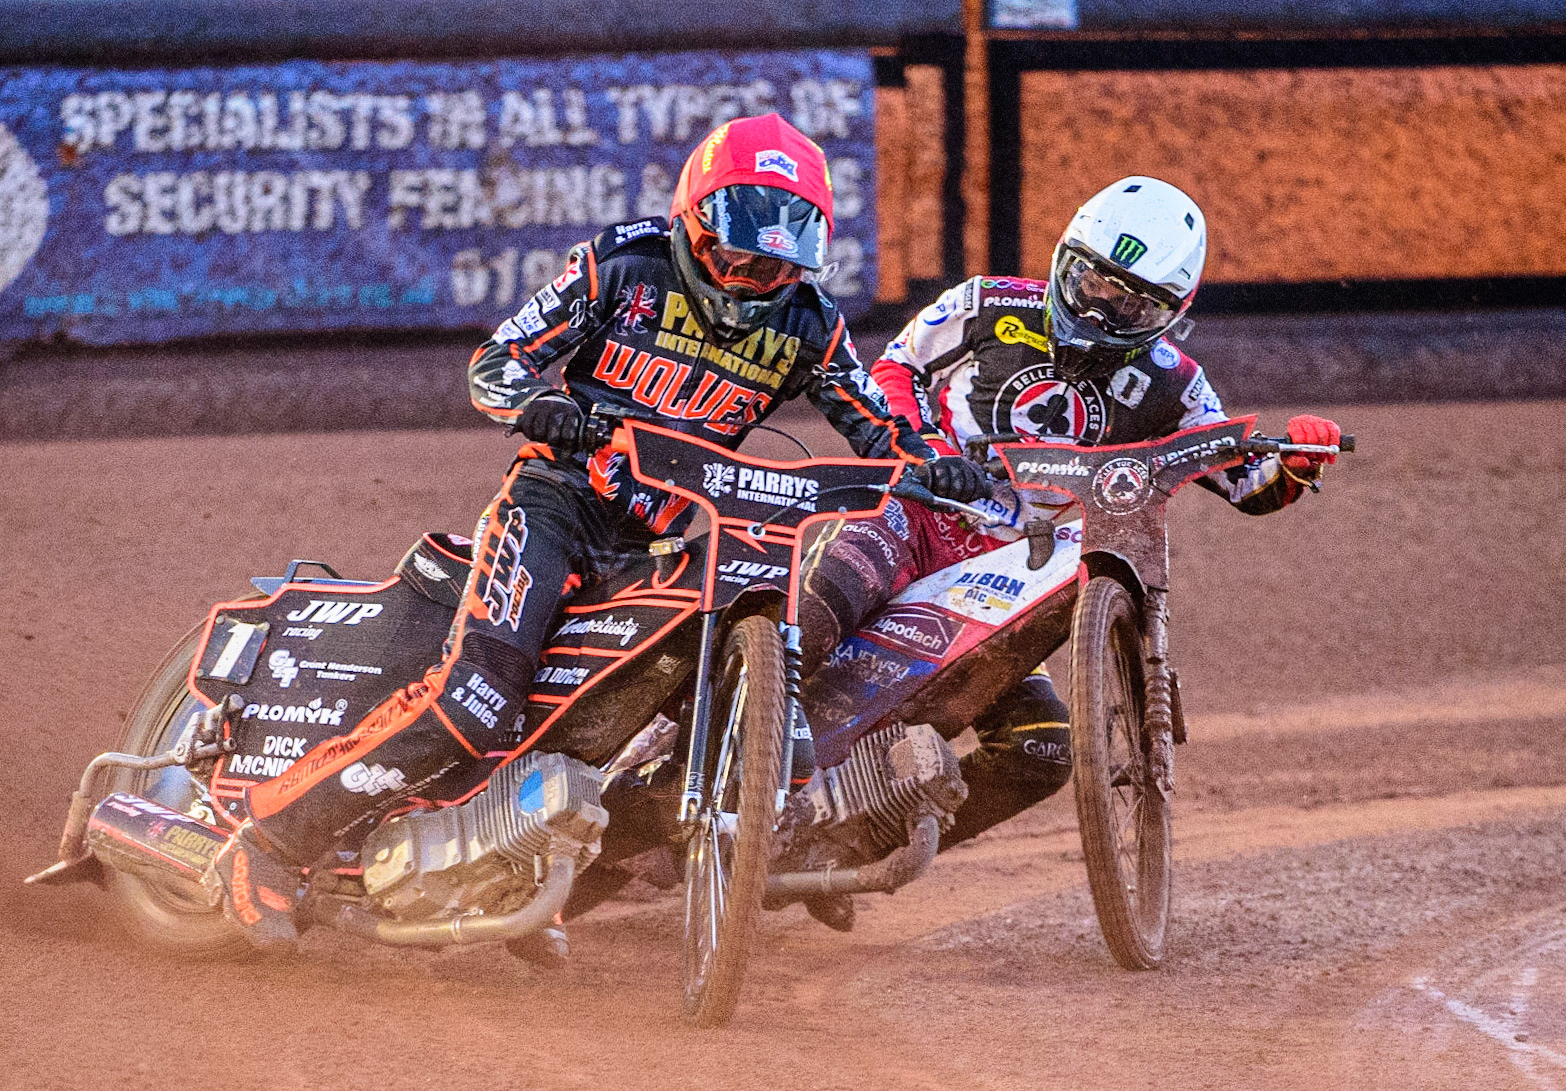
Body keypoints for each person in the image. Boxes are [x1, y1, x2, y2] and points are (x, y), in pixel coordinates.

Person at [203, 113, 988, 959]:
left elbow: (878, 428)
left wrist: (935, 467)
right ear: (694, 223)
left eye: (778, 259)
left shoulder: (807, 321)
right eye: (737, 256)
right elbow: (494, 362)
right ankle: (267, 843)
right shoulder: (624, 262)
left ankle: (507, 869)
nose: (755, 278)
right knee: (477, 698)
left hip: (657, 535)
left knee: (605, 718)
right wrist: (539, 406)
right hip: (553, 506)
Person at [795, 176, 1342, 915]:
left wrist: (1296, 462)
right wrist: (923, 450)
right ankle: (725, 734)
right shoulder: (986, 304)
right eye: (1090, 282)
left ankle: (840, 849)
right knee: (817, 605)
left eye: (1130, 304)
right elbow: (891, 370)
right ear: (1063, 258)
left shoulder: (1173, 386)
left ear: (1169, 315)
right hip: (918, 514)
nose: (1100, 309)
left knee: (1044, 748)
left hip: (1007, 578)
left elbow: (1249, 483)